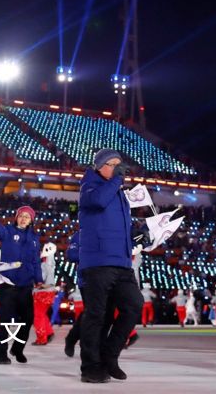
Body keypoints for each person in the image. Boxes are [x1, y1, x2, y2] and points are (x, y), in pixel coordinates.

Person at [76, 148, 142, 383]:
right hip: (98, 262)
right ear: (99, 166)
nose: (117, 168)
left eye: (119, 164)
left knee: (134, 305)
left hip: (121, 262)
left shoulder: (118, 192)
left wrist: (138, 234)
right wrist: (117, 180)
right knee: (97, 316)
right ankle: (90, 367)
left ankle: (109, 356)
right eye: (112, 164)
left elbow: (118, 227)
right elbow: (98, 202)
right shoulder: (89, 187)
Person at [0, 203, 42, 364]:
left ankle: (17, 349)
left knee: (28, 319)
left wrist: (38, 279)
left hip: (25, 284)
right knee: (5, 319)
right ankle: (1, 355)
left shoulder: (34, 238)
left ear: (31, 220)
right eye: (21, 216)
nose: (23, 219)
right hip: (7, 283)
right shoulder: (8, 232)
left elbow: (36, 261)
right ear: (16, 218)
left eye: (27, 217)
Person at [33, 242, 58, 345]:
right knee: (42, 314)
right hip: (50, 293)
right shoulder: (51, 264)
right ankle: (48, 333)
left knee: (38, 316)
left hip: (42, 293)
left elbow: (40, 279)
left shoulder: (43, 265)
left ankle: (42, 338)